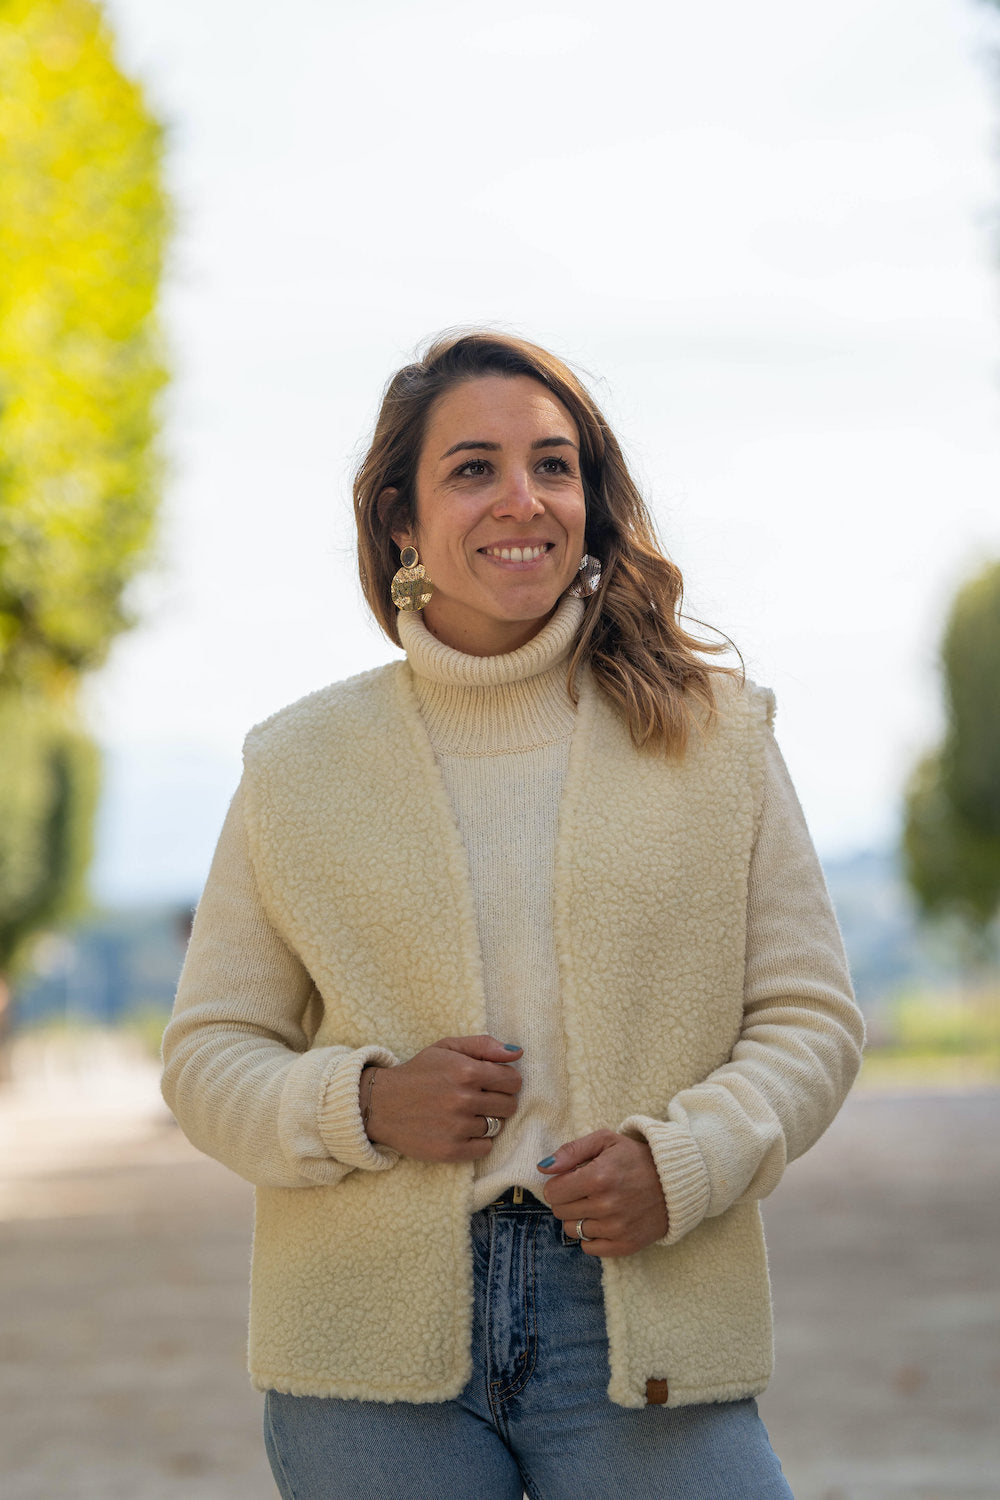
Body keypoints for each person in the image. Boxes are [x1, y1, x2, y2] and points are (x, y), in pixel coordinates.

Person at [161, 330, 864, 1500]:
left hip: (645, 1314)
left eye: (553, 463)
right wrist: (364, 1103)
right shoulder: (297, 764)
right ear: (400, 516)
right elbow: (205, 1057)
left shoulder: (715, 735)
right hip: (365, 1342)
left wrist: (679, 1161)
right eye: (473, 468)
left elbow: (809, 1023)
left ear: (590, 495)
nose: (521, 499)